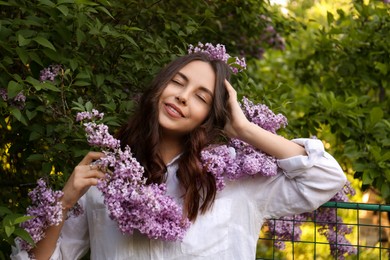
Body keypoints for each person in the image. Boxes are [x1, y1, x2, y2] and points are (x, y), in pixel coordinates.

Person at [12, 52, 347, 260]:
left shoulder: (236, 179)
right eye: (178, 82)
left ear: (210, 115)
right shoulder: (106, 180)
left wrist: (244, 129)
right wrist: (65, 201)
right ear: (160, 87)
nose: (183, 97)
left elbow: (325, 178)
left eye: (201, 96)